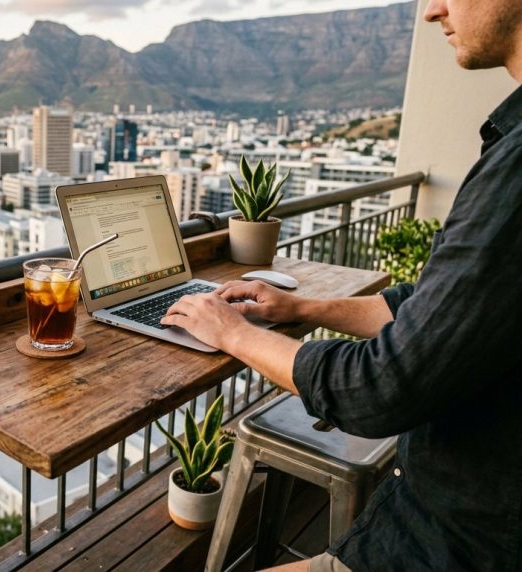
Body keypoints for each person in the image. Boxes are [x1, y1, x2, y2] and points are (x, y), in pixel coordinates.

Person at [161, 0, 522, 570]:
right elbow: (434, 309)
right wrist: (306, 306)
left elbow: (382, 388)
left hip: (456, 543)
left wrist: (231, 333)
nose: (431, 11)